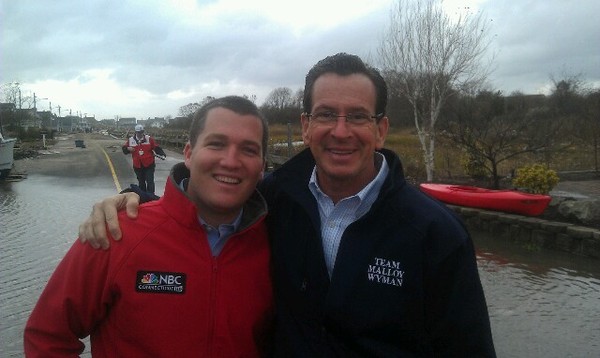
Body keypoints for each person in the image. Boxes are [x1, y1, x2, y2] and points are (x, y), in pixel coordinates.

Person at [79, 53, 497, 356]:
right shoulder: (275, 199)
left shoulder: (435, 233)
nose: (340, 131)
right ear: (305, 125)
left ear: (381, 129)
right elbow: (206, 207)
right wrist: (135, 199)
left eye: (357, 116)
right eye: (326, 114)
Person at [24, 96, 274, 357]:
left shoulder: (278, 244)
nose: (231, 161)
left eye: (248, 150)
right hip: (139, 171)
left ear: (262, 167)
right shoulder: (117, 232)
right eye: (216, 144)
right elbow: (47, 335)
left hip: (148, 166)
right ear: (188, 154)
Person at [123, 124, 165, 194]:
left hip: (149, 165)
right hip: (137, 166)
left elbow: (156, 147)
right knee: (141, 182)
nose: (140, 134)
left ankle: (151, 197)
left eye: (141, 132)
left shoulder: (149, 139)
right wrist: (127, 148)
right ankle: (143, 197)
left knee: (150, 181)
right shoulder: (131, 140)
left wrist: (162, 153)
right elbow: (124, 150)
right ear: (135, 132)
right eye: (138, 132)